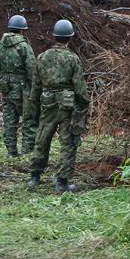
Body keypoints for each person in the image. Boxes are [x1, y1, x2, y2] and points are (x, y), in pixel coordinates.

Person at [28, 20, 89, 194]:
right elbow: (80, 88)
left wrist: (33, 108)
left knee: (42, 137)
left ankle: (34, 176)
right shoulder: (72, 58)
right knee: (68, 142)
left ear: (54, 36)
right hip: (67, 106)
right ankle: (62, 182)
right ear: (70, 37)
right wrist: (83, 107)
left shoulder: (42, 56)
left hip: (47, 102)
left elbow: (36, 85)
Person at [0, 15, 37, 156]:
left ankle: (11, 152)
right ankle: (27, 152)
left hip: (6, 90)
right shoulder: (24, 47)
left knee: (9, 121)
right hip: (23, 91)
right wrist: (36, 93)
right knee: (29, 121)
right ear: (22, 31)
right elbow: (32, 71)